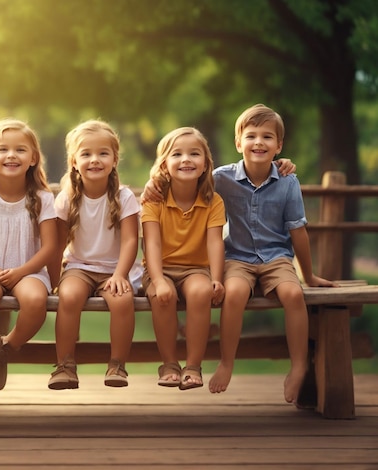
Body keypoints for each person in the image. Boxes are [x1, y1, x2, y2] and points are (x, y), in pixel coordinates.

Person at [206, 104, 336, 403]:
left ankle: (300, 366)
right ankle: (227, 363)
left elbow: (298, 230)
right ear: (238, 142)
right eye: (251, 136)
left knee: (293, 295)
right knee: (235, 292)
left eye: (267, 137)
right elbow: (188, 185)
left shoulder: (288, 181)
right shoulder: (221, 178)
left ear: (279, 145)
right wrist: (155, 186)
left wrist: (308, 274)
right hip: (237, 257)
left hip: (277, 257)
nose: (259, 142)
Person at [0, 118, 57, 406]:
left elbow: (51, 245)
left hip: (28, 268)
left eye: (20, 150)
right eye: (3, 149)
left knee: (35, 301)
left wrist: (21, 272)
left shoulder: (42, 198)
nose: (11, 155)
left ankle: (4, 346)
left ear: (33, 158)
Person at [46, 120, 139, 390]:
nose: (94, 160)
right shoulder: (67, 197)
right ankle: (65, 365)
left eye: (102, 153)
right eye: (86, 154)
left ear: (114, 159)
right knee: (69, 296)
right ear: (74, 161)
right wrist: (55, 279)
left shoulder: (124, 197)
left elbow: (132, 240)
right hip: (79, 267)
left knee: (121, 301)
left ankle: (117, 365)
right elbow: (58, 242)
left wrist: (121, 274)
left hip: (115, 268)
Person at [141, 127, 226, 391]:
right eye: (177, 154)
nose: (186, 159)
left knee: (201, 292)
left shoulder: (213, 201)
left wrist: (217, 279)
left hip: (195, 269)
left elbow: (215, 241)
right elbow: (151, 243)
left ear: (205, 165)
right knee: (162, 295)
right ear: (164, 165)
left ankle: (193, 366)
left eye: (194, 154)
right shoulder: (154, 200)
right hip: (159, 268)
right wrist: (158, 279)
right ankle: (169, 364)